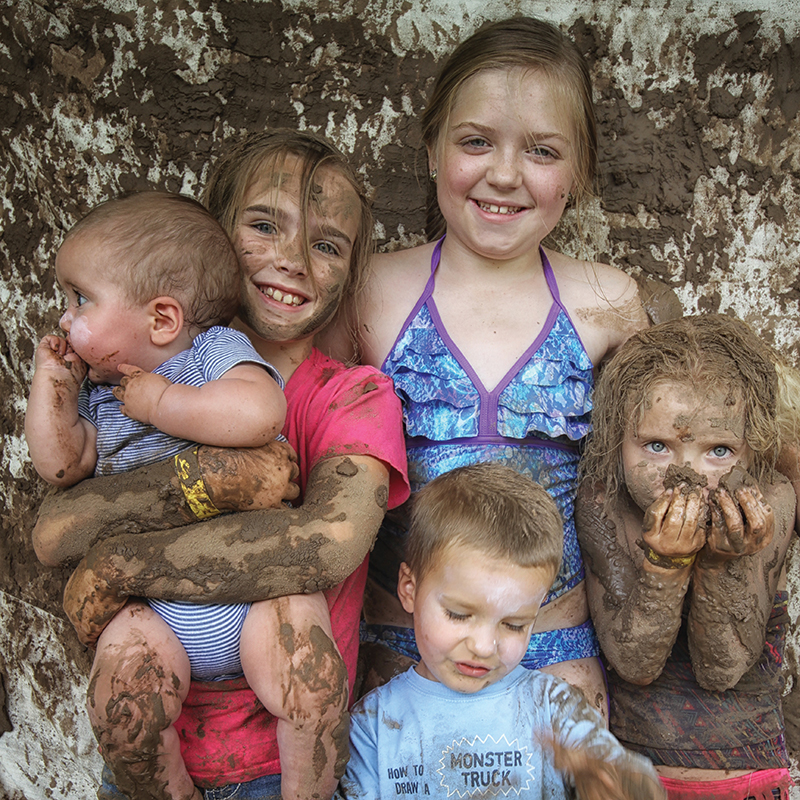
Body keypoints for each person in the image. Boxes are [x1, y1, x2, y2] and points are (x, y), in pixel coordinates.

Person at [29, 131, 410, 800]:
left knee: (308, 672)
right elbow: (54, 528)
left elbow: (325, 546)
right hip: (167, 726)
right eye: (265, 225)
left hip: (274, 760)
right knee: (122, 698)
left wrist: (117, 563)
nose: (291, 259)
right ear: (215, 232)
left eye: (326, 245)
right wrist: (207, 484)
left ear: (349, 273)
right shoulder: (123, 373)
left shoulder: (352, 396)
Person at [325, 16, 649, 712]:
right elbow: (312, 456)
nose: (504, 174)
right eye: (476, 142)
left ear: (579, 169)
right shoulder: (370, 291)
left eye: (541, 150)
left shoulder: (606, 303)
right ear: (434, 147)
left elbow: (642, 476)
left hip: (553, 662)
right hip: (397, 658)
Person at [335, 463, 665, 799]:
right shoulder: (374, 725)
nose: (483, 646)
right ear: (409, 588)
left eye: (513, 625)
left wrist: (621, 784)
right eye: (459, 615)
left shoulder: (554, 707)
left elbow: (632, 782)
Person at [576, 314, 797, 800]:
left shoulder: (770, 500)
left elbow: (722, 669)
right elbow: (635, 663)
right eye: (657, 446)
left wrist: (719, 566)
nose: (685, 473)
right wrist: (664, 567)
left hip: (747, 775)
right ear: (618, 440)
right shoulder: (603, 502)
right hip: (633, 779)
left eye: (718, 450)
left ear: (751, 449)